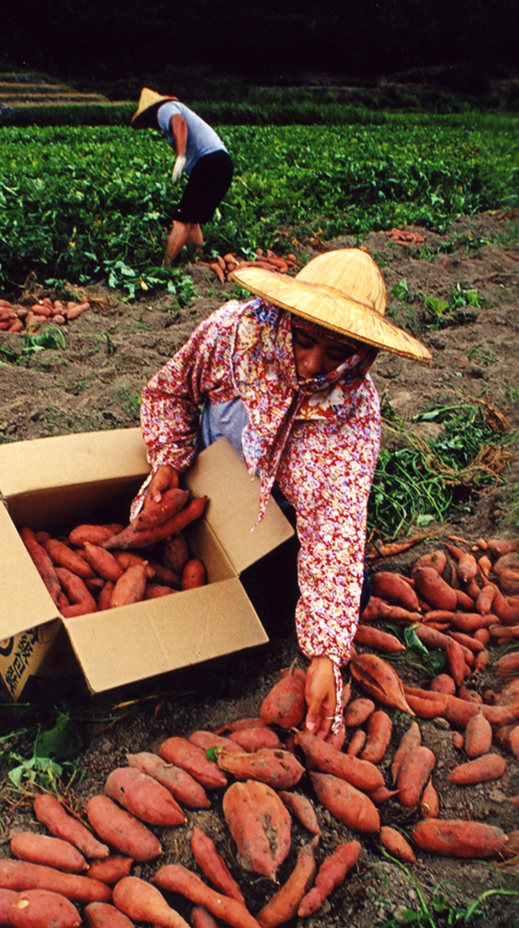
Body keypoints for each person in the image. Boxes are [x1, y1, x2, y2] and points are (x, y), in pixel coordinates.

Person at [135, 248, 430, 736]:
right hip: (201, 490)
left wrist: (325, 654)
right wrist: (168, 460)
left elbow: (335, 526)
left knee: (295, 610)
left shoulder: (352, 413)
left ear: (363, 355)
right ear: (287, 317)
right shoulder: (234, 336)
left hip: (277, 526)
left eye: (337, 355)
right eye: (305, 340)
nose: (314, 365)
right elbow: (172, 392)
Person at [131, 88, 233, 266]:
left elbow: (180, 124)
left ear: (150, 113)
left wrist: (180, 156)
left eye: (147, 121)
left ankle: (165, 267)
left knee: (181, 219)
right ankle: (197, 263)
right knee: (192, 219)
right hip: (222, 163)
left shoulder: (164, 109)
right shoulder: (173, 109)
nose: (150, 125)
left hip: (209, 162)